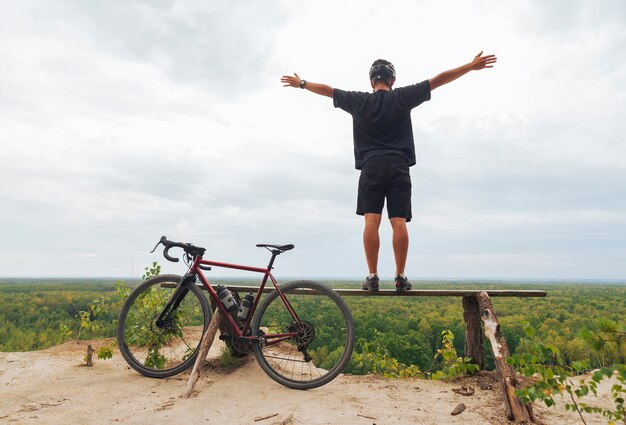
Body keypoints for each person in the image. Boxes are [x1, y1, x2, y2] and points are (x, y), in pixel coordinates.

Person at [281, 51, 497, 291]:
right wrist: (470, 66)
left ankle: (372, 277)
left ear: (372, 82)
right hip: (398, 166)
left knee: (371, 221)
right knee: (399, 222)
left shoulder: (359, 101)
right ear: (392, 81)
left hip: (371, 167)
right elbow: (438, 80)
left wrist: (301, 83)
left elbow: (328, 90)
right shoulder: (402, 97)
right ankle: (400, 277)